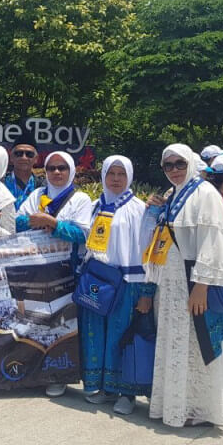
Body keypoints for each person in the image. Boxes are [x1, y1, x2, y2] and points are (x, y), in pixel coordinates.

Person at [142, 143, 223, 428]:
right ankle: (175, 405)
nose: (174, 170)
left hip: (192, 283)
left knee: (196, 344)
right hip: (170, 285)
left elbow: (214, 240)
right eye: (168, 165)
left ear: (192, 163)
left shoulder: (205, 193)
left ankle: (200, 408)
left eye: (179, 164)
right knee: (176, 343)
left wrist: (202, 286)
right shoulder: (173, 195)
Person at [75, 155, 152, 414]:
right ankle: (104, 387)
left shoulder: (139, 209)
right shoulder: (96, 206)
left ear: (129, 176)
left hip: (128, 282)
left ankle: (127, 393)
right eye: (111, 174)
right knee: (97, 334)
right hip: (97, 280)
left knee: (121, 336)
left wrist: (146, 292)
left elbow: (146, 252)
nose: (116, 179)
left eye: (121, 174)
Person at [16, 150, 93, 397]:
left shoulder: (80, 199)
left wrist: (51, 223)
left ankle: (59, 375)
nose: (57, 173)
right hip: (36, 270)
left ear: (71, 171)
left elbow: (82, 234)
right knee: (36, 323)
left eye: (62, 168)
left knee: (62, 323)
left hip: (66, 272)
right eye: (51, 169)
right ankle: (35, 372)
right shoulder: (37, 194)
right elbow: (17, 221)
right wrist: (37, 221)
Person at [4, 130, 44, 209]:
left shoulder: (43, 186)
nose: (24, 157)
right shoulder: (1, 182)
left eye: (29, 154)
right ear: (11, 157)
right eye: (19, 153)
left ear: (36, 159)